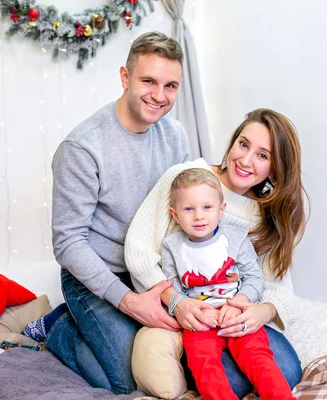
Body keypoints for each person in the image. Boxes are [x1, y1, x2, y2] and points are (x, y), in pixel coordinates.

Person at [125, 108, 308, 398]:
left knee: (286, 369)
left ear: (275, 169)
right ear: (233, 142)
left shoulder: (266, 214)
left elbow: (278, 289)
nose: (246, 160)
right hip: (189, 313)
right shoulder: (186, 181)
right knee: (218, 377)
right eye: (243, 144)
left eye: (263, 155)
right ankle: (62, 327)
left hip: (235, 314)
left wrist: (260, 311)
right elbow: (138, 253)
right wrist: (178, 303)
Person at [44, 31, 190, 394]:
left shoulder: (175, 136)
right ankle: (60, 329)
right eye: (148, 81)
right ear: (125, 78)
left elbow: (181, 213)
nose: (159, 95)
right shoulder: (83, 147)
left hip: (151, 269)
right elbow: (67, 242)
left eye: (170, 85)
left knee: (178, 362)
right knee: (130, 379)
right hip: (98, 274)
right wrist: (129, 303)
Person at [163, 168, 296, 400]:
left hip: (236, 314)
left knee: (258, 357)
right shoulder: (171, 246)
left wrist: (240, 302)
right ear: (175, 215)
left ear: (221, 210)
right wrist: (194, 310)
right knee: (203, 364)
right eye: (188, 209)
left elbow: (255, 278)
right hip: (201, 320)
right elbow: (173, 288)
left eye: (207, 207)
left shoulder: (236, 238)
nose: (199, 216)